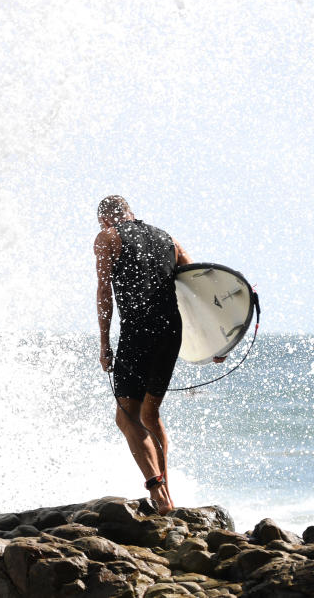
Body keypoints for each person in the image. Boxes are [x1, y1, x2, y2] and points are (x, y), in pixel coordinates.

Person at [93, 195, 195, 514]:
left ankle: (157, 492)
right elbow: (197, 286)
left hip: (139, 332)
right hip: (171, 334)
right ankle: (168, 494)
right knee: (151, 415)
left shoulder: (107, 236)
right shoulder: (169, 239)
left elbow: (103, 291)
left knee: (126, 416)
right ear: (131, 213)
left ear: (105, 220)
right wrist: (215, 340)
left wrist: (104, 343)